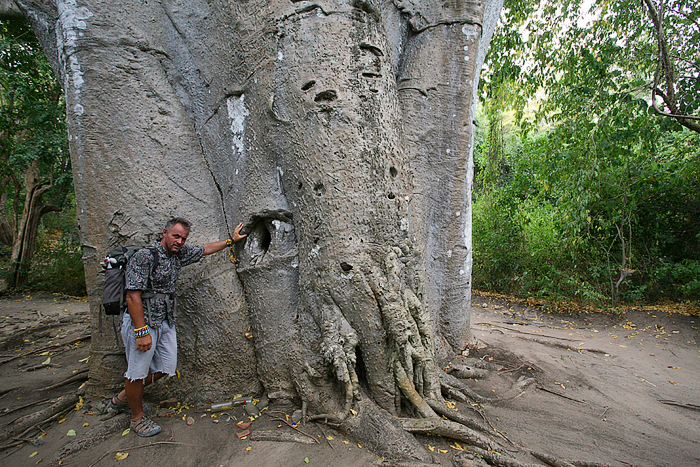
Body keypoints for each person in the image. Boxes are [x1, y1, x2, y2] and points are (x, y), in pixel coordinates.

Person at [108, 217, 246, 437]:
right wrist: (141, 331)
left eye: (183, 238)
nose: (180, 241)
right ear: (164, 232)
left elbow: (204, 249)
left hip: (164, 321)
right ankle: (136, 418)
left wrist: (231, 241)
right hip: (142, 322)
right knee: (136, 371)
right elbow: (133, 296)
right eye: (176, 236)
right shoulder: (145, 256)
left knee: (166, 367)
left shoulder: (177, 255)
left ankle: (124, 397)